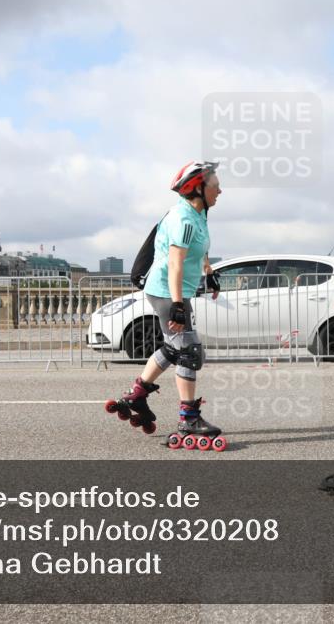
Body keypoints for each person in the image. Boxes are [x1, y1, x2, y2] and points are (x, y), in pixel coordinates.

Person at [106, 161, 226, 451]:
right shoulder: (182, 220)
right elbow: (175, 263)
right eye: (215, 186)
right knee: (188, 350)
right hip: (165, 290)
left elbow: (201, 247)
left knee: (174, 347)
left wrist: (208, 272)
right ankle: (188, 418)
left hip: (177, 289)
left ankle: (137, 394)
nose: (220, 190)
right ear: (197, 189)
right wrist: (176, 305)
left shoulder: (199, 214)